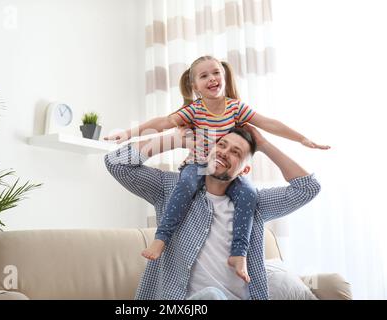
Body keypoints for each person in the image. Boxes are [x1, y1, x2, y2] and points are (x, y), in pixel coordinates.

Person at [105, 55, 328, 284]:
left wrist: (301, 139)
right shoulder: (195, 110)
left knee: (249, 194)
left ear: (224, 77)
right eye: (204, 76)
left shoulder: (235, 108)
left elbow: (269, 123)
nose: (212, 79)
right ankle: (161, 238)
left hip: (229, 179)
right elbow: (162, 122)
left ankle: (238, 254)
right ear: (195, 86)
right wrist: (129, 134)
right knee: (186, 184)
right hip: (196, 165)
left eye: (216, 73)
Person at [104, 125, 321, 299]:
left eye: (236, 152)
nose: (225, 153)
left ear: (245, 170)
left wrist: (263, 145)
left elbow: (308, 188)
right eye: (222, 145)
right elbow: (116, 163)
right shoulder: (170, 188)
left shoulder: (254, 204)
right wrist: (174, 140)